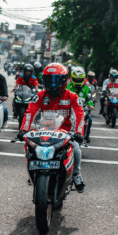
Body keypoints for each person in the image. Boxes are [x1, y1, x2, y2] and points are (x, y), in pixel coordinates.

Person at [17, 63, 86, 193]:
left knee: (76, 147)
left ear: (65, 80)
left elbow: (80, 115)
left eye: (57, 80)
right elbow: (29, 112)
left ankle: (76, 174)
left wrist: (78, 133)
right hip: (43, 130)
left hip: (65, 132)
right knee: (29, 146)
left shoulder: (73, 96)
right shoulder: (40, 95)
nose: (53, 84)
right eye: (50, 80)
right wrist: (24, 130)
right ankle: (33, 171)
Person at [67, 67, 95, 143]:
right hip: (68, 108)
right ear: (72, 78)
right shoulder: (68, 87)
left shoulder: (86, 88)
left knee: (89, 119)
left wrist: (91, 105)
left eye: (80, 80)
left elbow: (90, 99)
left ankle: (86, 136)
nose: (78, 81)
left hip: (82, 109)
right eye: (76, 79)